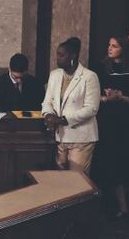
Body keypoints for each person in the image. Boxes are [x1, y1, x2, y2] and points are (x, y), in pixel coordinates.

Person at [92, 35, 129, 218]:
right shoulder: (101, 68)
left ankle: (126, 207)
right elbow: (95, 97)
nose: (109, 48)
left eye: (114, 46)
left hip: (124, 122)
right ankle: (108, 205)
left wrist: (122, 97)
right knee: (106, 161)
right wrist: (107, 98)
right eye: (108, 45)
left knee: (124, 162)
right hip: (107, 121)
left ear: (123, 49)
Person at [42, 37, 100, 175]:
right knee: (61, 182)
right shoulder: (54, 75)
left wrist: (63, 119)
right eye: (57, 54)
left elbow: (91, 108)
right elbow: (47, 101)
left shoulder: (89, 76)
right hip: (60, 136)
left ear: (73, 55)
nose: (57, 58)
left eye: (62, 55)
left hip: (81, 137)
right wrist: (48, 114)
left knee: (77, 181)